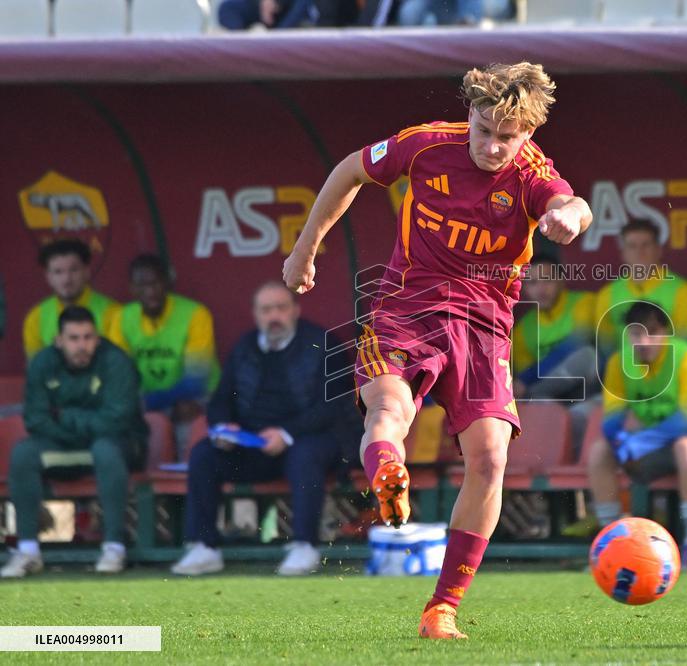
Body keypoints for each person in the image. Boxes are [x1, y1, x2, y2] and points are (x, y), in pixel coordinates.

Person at [283, 62, 592, 639]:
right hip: (405, 310)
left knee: (492, 458)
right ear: (468, 114)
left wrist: (568, 217)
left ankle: (441, 608)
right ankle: (388, 473)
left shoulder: (530, 172)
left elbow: (572, 201)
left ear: (527, 134)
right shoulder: (426, 145)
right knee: (388, 410)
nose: (494, 147)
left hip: (483, 327)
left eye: (509, 137)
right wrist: (306, 250)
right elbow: (351, 169)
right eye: (484, 131)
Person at [171, 282, 360, 577]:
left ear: (296, 311)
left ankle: (304, 545)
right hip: (254, 445)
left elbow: (332, 407)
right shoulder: (245, 347)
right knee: (204, 454)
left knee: (304, 453)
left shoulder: (323, 343)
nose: (274, 316)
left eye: (281, 308)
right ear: (256, 314)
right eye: (266, 309)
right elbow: (221, 399)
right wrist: (224, 428)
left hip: (313, 441)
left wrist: (285, 434)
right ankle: (204, 547)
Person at [584, 301, 687, 570]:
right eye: (635, 333)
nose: (643, 341)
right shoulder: (620, 362)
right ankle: (610, 545)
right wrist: (620, 441)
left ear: (666, 332)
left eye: (651, 333)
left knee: (686, 447)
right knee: (600, 451)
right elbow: (612, 419)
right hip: (657, 443)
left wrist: (638, 442)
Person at [2, 307, 148, 578]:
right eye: (74, 338)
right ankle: (27, 550)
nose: (82, 345)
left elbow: (116, 422)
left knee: (106, 448)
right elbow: (35, 419)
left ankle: (114, 546)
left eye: (88, 337)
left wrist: (65, 418)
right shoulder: (43, 363)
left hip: (120, 445)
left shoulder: (116, 361)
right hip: (65, 446)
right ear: (59, 340)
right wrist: (79, 428)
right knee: (23, 453)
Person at [108, 254, 220, 457]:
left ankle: (186, 477)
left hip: (194, 398)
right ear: (131, 288)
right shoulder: (121, 318)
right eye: (141, 285)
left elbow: (196, 380)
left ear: (167, 283)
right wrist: (142, 405)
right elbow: (117, 375)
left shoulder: (195, 313)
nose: (150, 292)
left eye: (155, 283)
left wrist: (149, 404)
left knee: (188, 414)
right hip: (147, 400)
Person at [511, 252, 597, 447]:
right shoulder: (523, 329)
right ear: (524, 288)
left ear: (561, 280)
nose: (541, 289)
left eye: (547, 280)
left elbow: (576, 344)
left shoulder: (584, 303)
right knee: (534, 400)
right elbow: (526, 379)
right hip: (552, 397)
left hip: (588, 389)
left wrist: (526, 380)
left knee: (586, 355)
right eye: (532, 283)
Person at [594, 219, 687, 358]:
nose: (639, 251)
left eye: (646, 245)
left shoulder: (684, 292)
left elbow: (686, 348)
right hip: (625, 375)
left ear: (658, 250)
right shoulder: (606, 295)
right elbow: (606, 351)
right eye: (632, 246)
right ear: (623, 253)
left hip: (671, 373)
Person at [23, 239, 120, 361]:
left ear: (87, 271)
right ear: (48, 277)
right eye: (58, 272)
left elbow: (116, 365)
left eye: (73, 270)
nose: (66, 279)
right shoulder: (35, 317)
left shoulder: (113, 312)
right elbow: (36, 369)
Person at [218, 0, 317, 30]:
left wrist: (278, 2)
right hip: (261, 11)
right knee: (227, 7)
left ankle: (278, 39)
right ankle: (242, 45)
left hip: (289, 12)